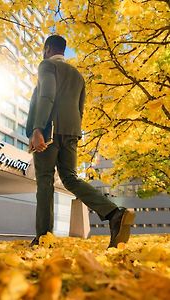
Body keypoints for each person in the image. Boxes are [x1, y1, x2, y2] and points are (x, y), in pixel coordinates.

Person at [26, 35, 135, 248]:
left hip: (49, 130)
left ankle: (43, 238)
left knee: (45, 180)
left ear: (47, 49)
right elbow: (80, 109)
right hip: (72, 132)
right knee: (70, 178)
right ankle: (114, 213)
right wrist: (72, 132)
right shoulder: (78, 76)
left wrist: (38, 127)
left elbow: (47, 94)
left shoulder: (46, 65)